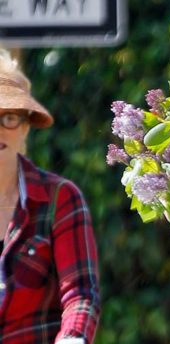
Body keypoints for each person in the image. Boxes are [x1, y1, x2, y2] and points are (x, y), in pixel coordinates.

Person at [0, 48, 101, 343]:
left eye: (9, 118)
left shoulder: (60, 197)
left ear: (26, 127)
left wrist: (72, 338)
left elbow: (81, 292)